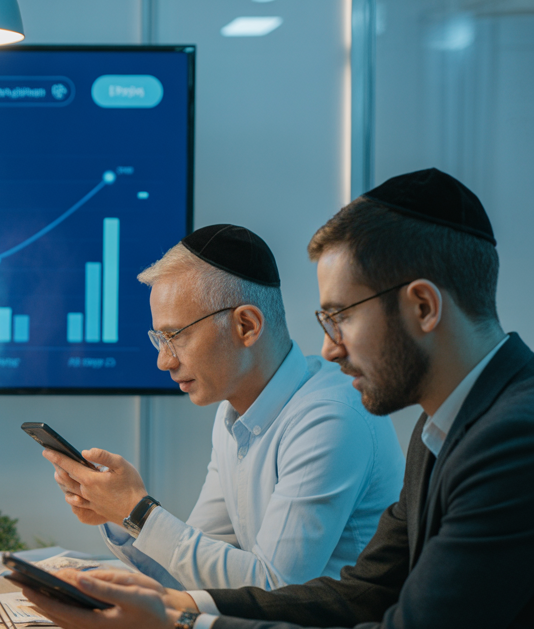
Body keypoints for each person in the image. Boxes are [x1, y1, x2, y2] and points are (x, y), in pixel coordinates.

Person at [19, 169, 532, 629]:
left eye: (341, 316)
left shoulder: (514, 441)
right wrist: (179, 608)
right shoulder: (443, 429)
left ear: (424, 307)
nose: (329, 347)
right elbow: (359, 597)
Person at [44, 224, 404, 590]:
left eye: (175, 336)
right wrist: (118, 512)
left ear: (246, 326)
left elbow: (275, 588)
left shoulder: (329, 417)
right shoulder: (234, 416)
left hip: (340, 628)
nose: (163, 361)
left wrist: (137, 510)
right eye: (159, 339)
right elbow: (194, 570)